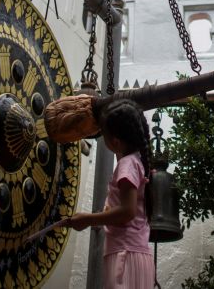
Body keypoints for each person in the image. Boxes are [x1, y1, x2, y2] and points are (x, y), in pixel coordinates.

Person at [63, 99, 153, 289]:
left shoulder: (126, 164)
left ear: (115, 141)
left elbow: (127, 212)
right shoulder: (138, 162)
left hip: (124, 255)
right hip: (136, 254)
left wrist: (88, 219)